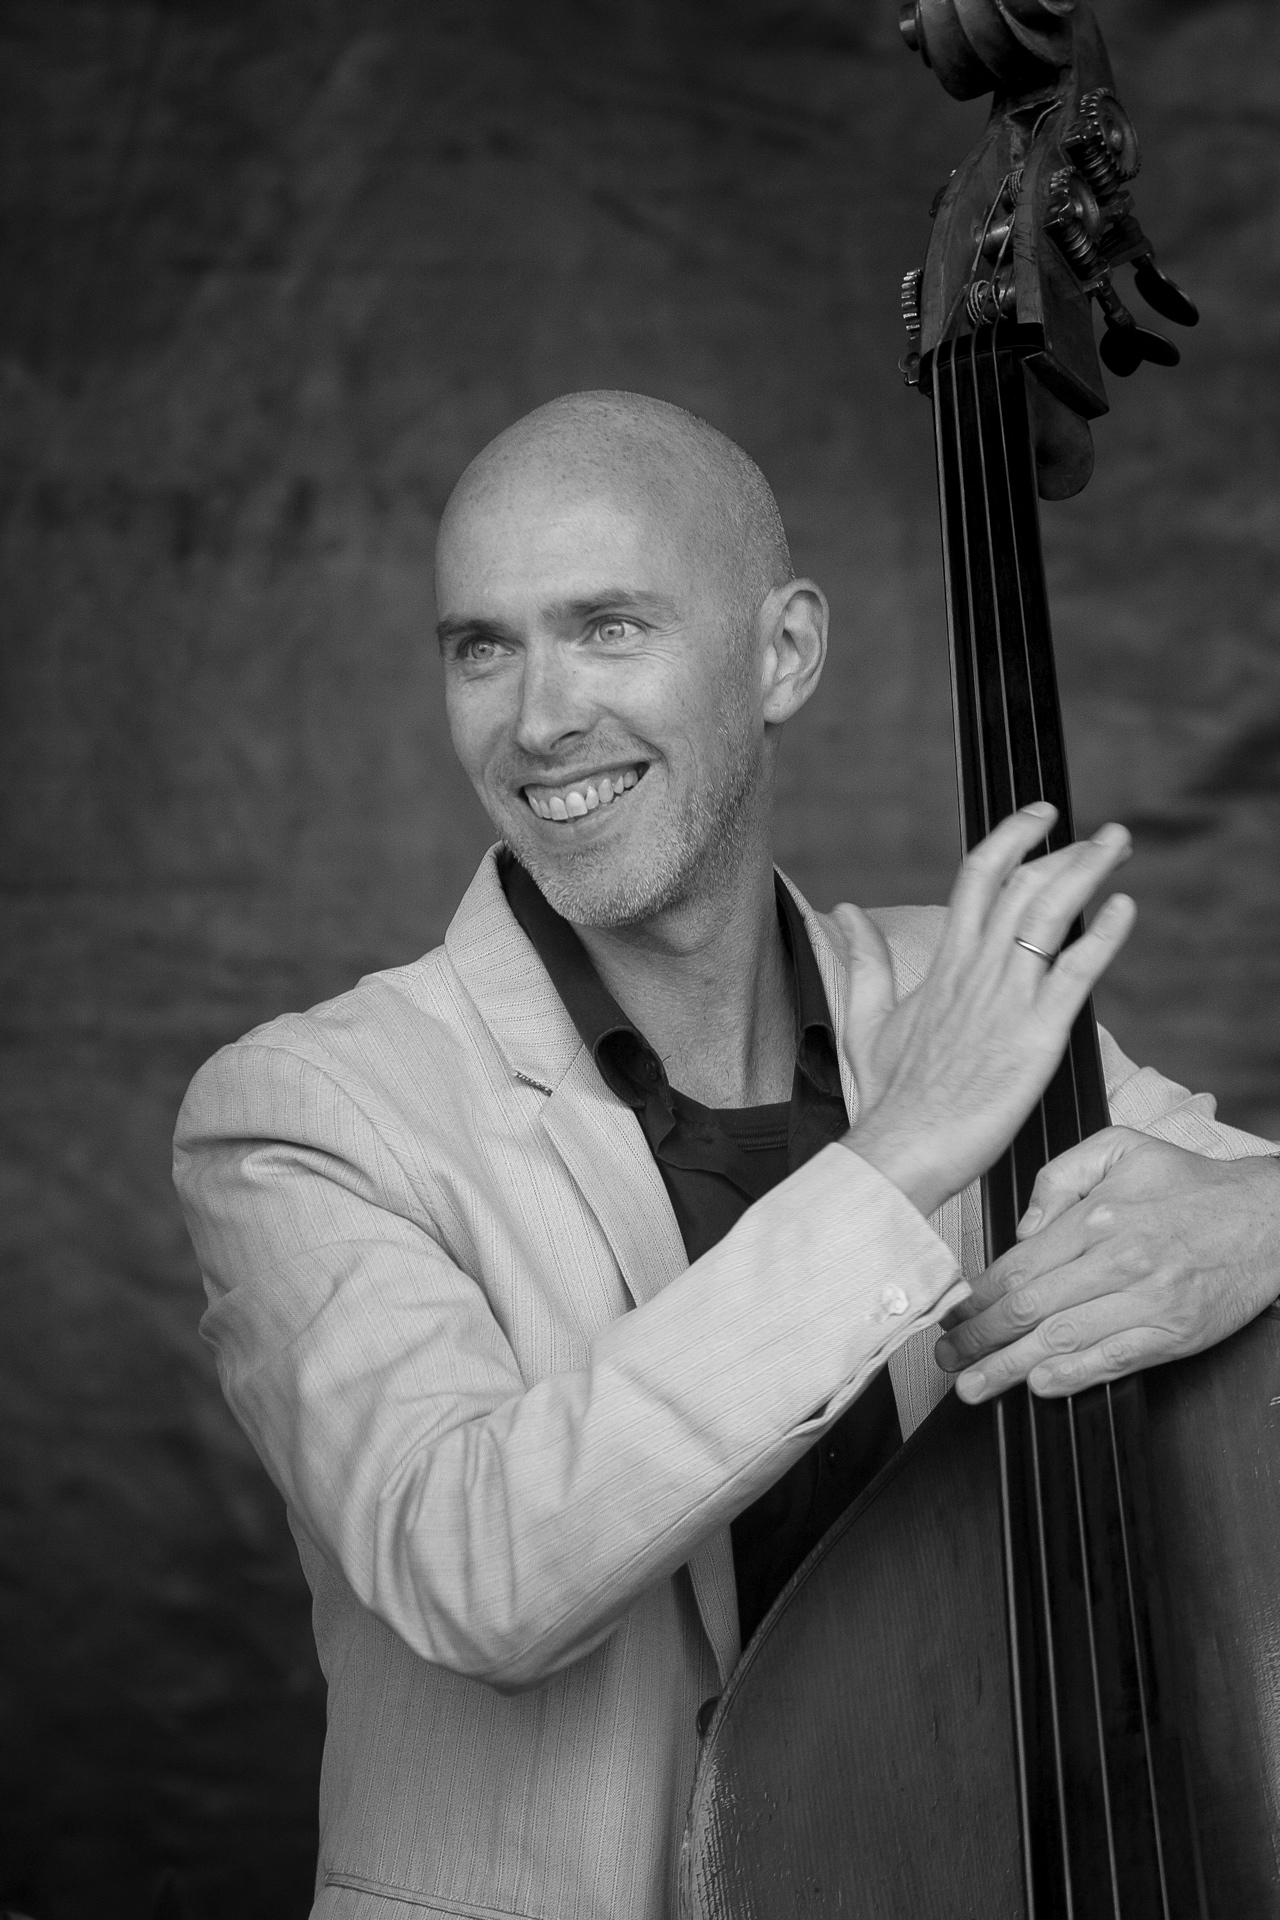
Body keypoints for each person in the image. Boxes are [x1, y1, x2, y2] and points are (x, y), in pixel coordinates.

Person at [173, 391, 1280, 1920]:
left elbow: (1226, 1221)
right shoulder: (306, 1109)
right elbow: (475, 1573)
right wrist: (898, 1158)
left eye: (608, 627)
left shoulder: (965, 996)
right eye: (483, 647)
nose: (537, 718)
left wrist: (1261, 1216)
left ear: (785, 654)